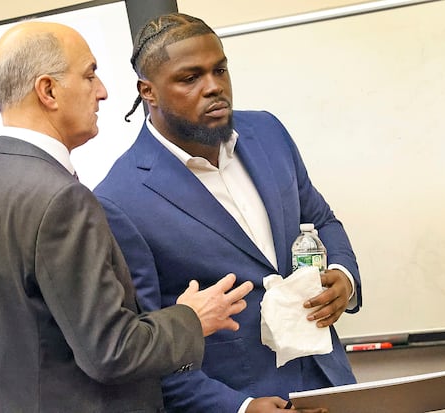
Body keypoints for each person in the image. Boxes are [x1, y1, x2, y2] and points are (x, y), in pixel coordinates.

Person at [0, 21, 254, 413]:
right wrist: (191, 318)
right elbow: (111, 351)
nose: (102, 92)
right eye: (89, 75)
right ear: (48, 91)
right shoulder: (62, 200)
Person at [94, 12, 362, 413]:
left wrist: (343, 276)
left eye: (220, 69)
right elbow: (147, 345)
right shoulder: (119, 199)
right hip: (241, 398)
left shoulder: (268, 132)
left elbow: (320, 220)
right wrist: (240, 408)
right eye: (191, 78)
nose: (214, 87)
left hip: (330, 383)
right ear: (148, 91)